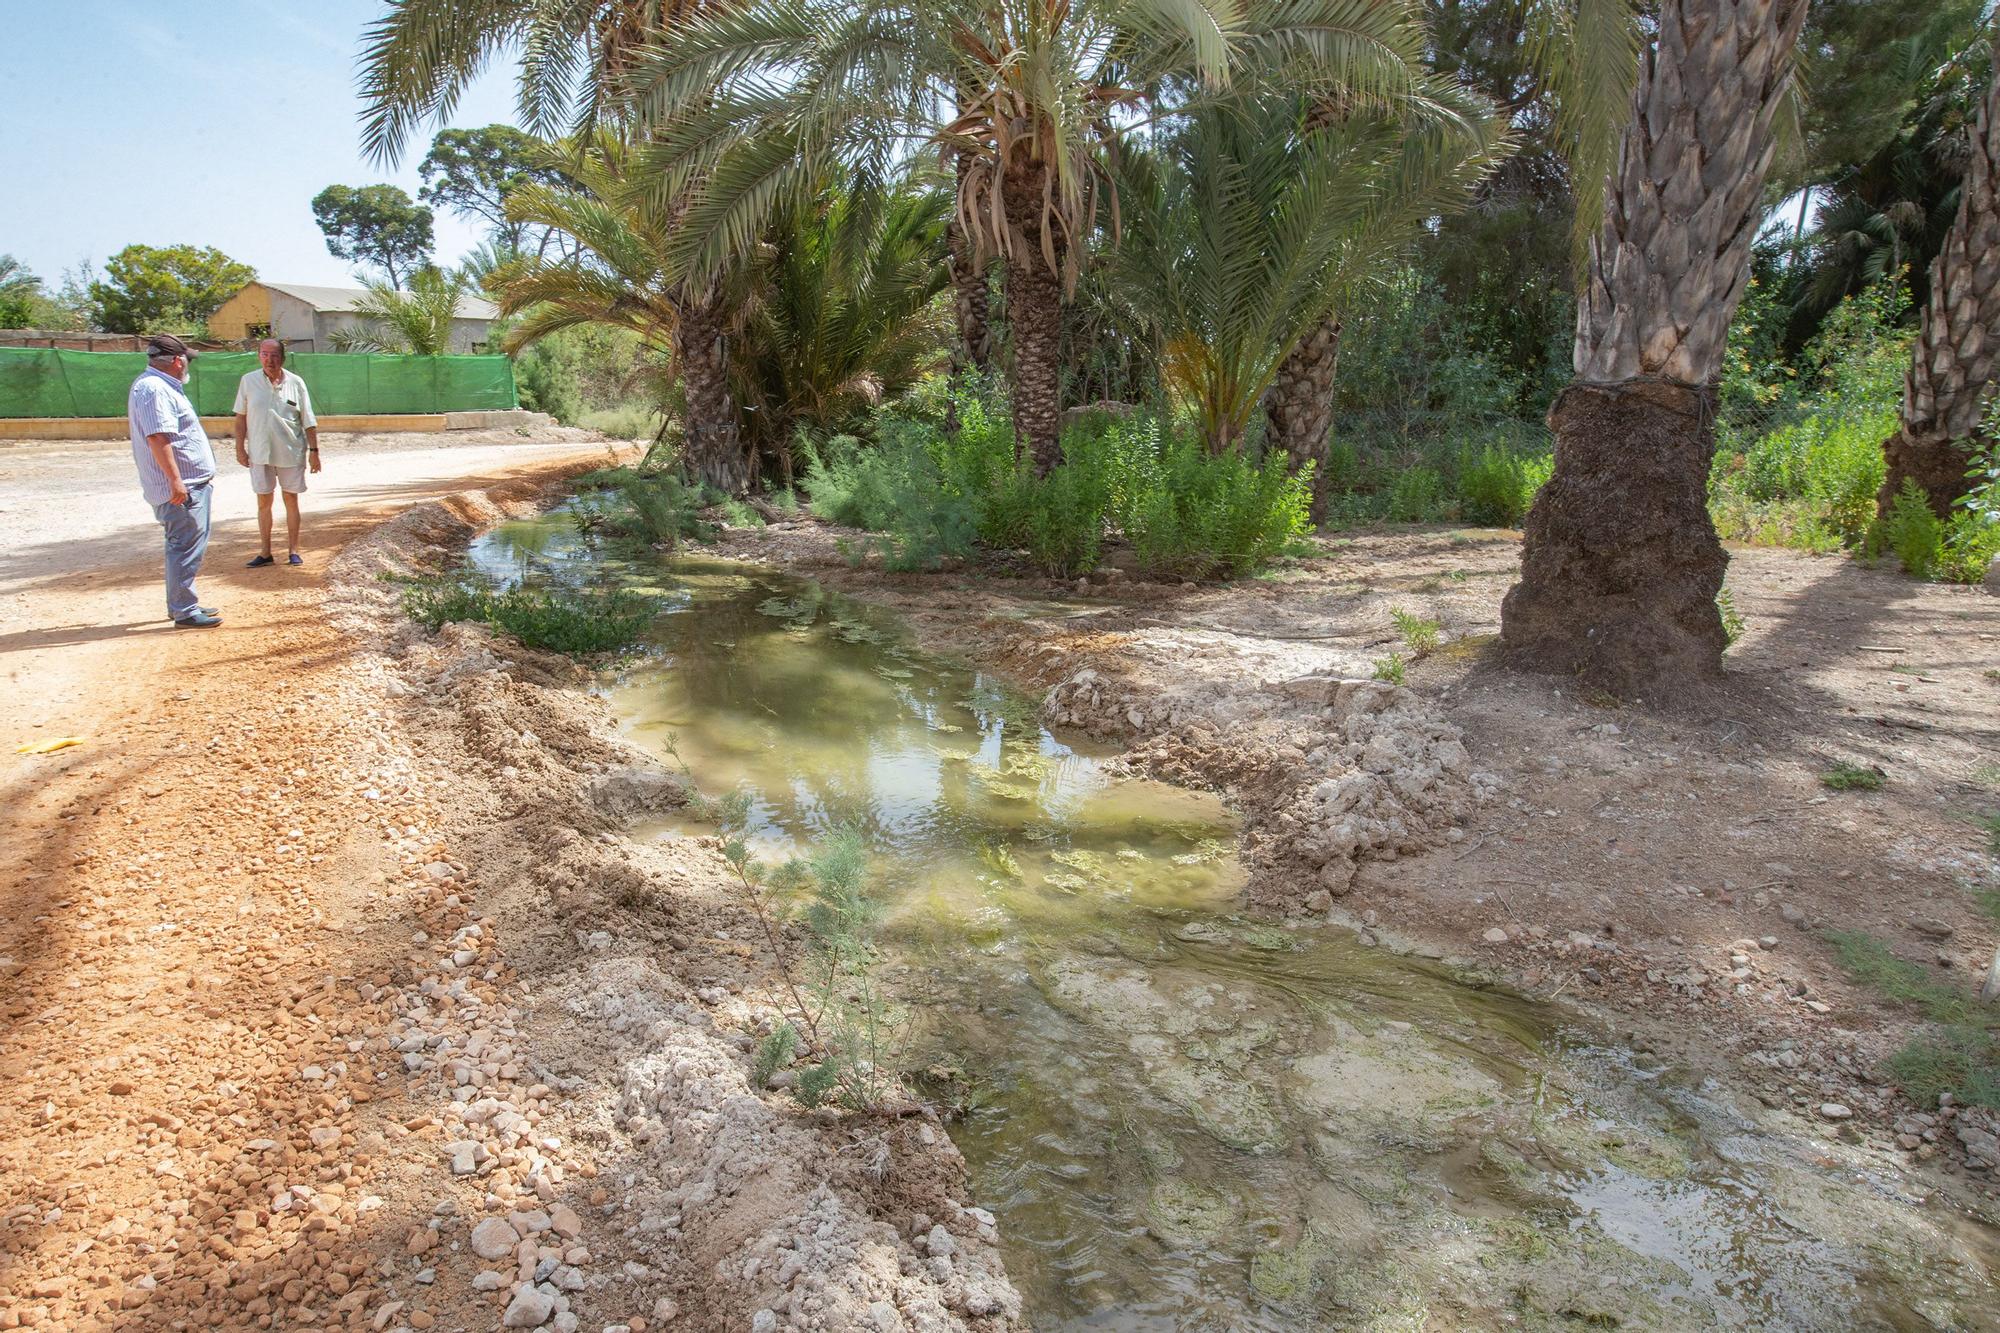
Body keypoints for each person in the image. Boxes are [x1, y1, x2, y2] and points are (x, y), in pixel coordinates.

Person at [128, 333, 220, 628]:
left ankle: (181, 602)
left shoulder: (153, 386)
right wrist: (176, 481)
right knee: (184, 544)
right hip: (182, 489)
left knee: (184, 543)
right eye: (186, 360)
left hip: (185, 484)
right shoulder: (155, 389)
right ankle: (184, 608)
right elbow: (158, 437)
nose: (187, 366)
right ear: (178, 361)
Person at [232, 338, 321, 566]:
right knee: (264, 501)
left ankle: (293, 550)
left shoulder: (296, 383)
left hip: (291, 451)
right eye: (264, 354)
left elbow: (308, 419)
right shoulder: (248, 381)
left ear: (282, 357)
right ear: (259, 356)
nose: (269, 360)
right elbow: (240, 417)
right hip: (260, 452)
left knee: (291, 498)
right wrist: (239, 447)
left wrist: (314, 451)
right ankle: (265, 552)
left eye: (274, 355)